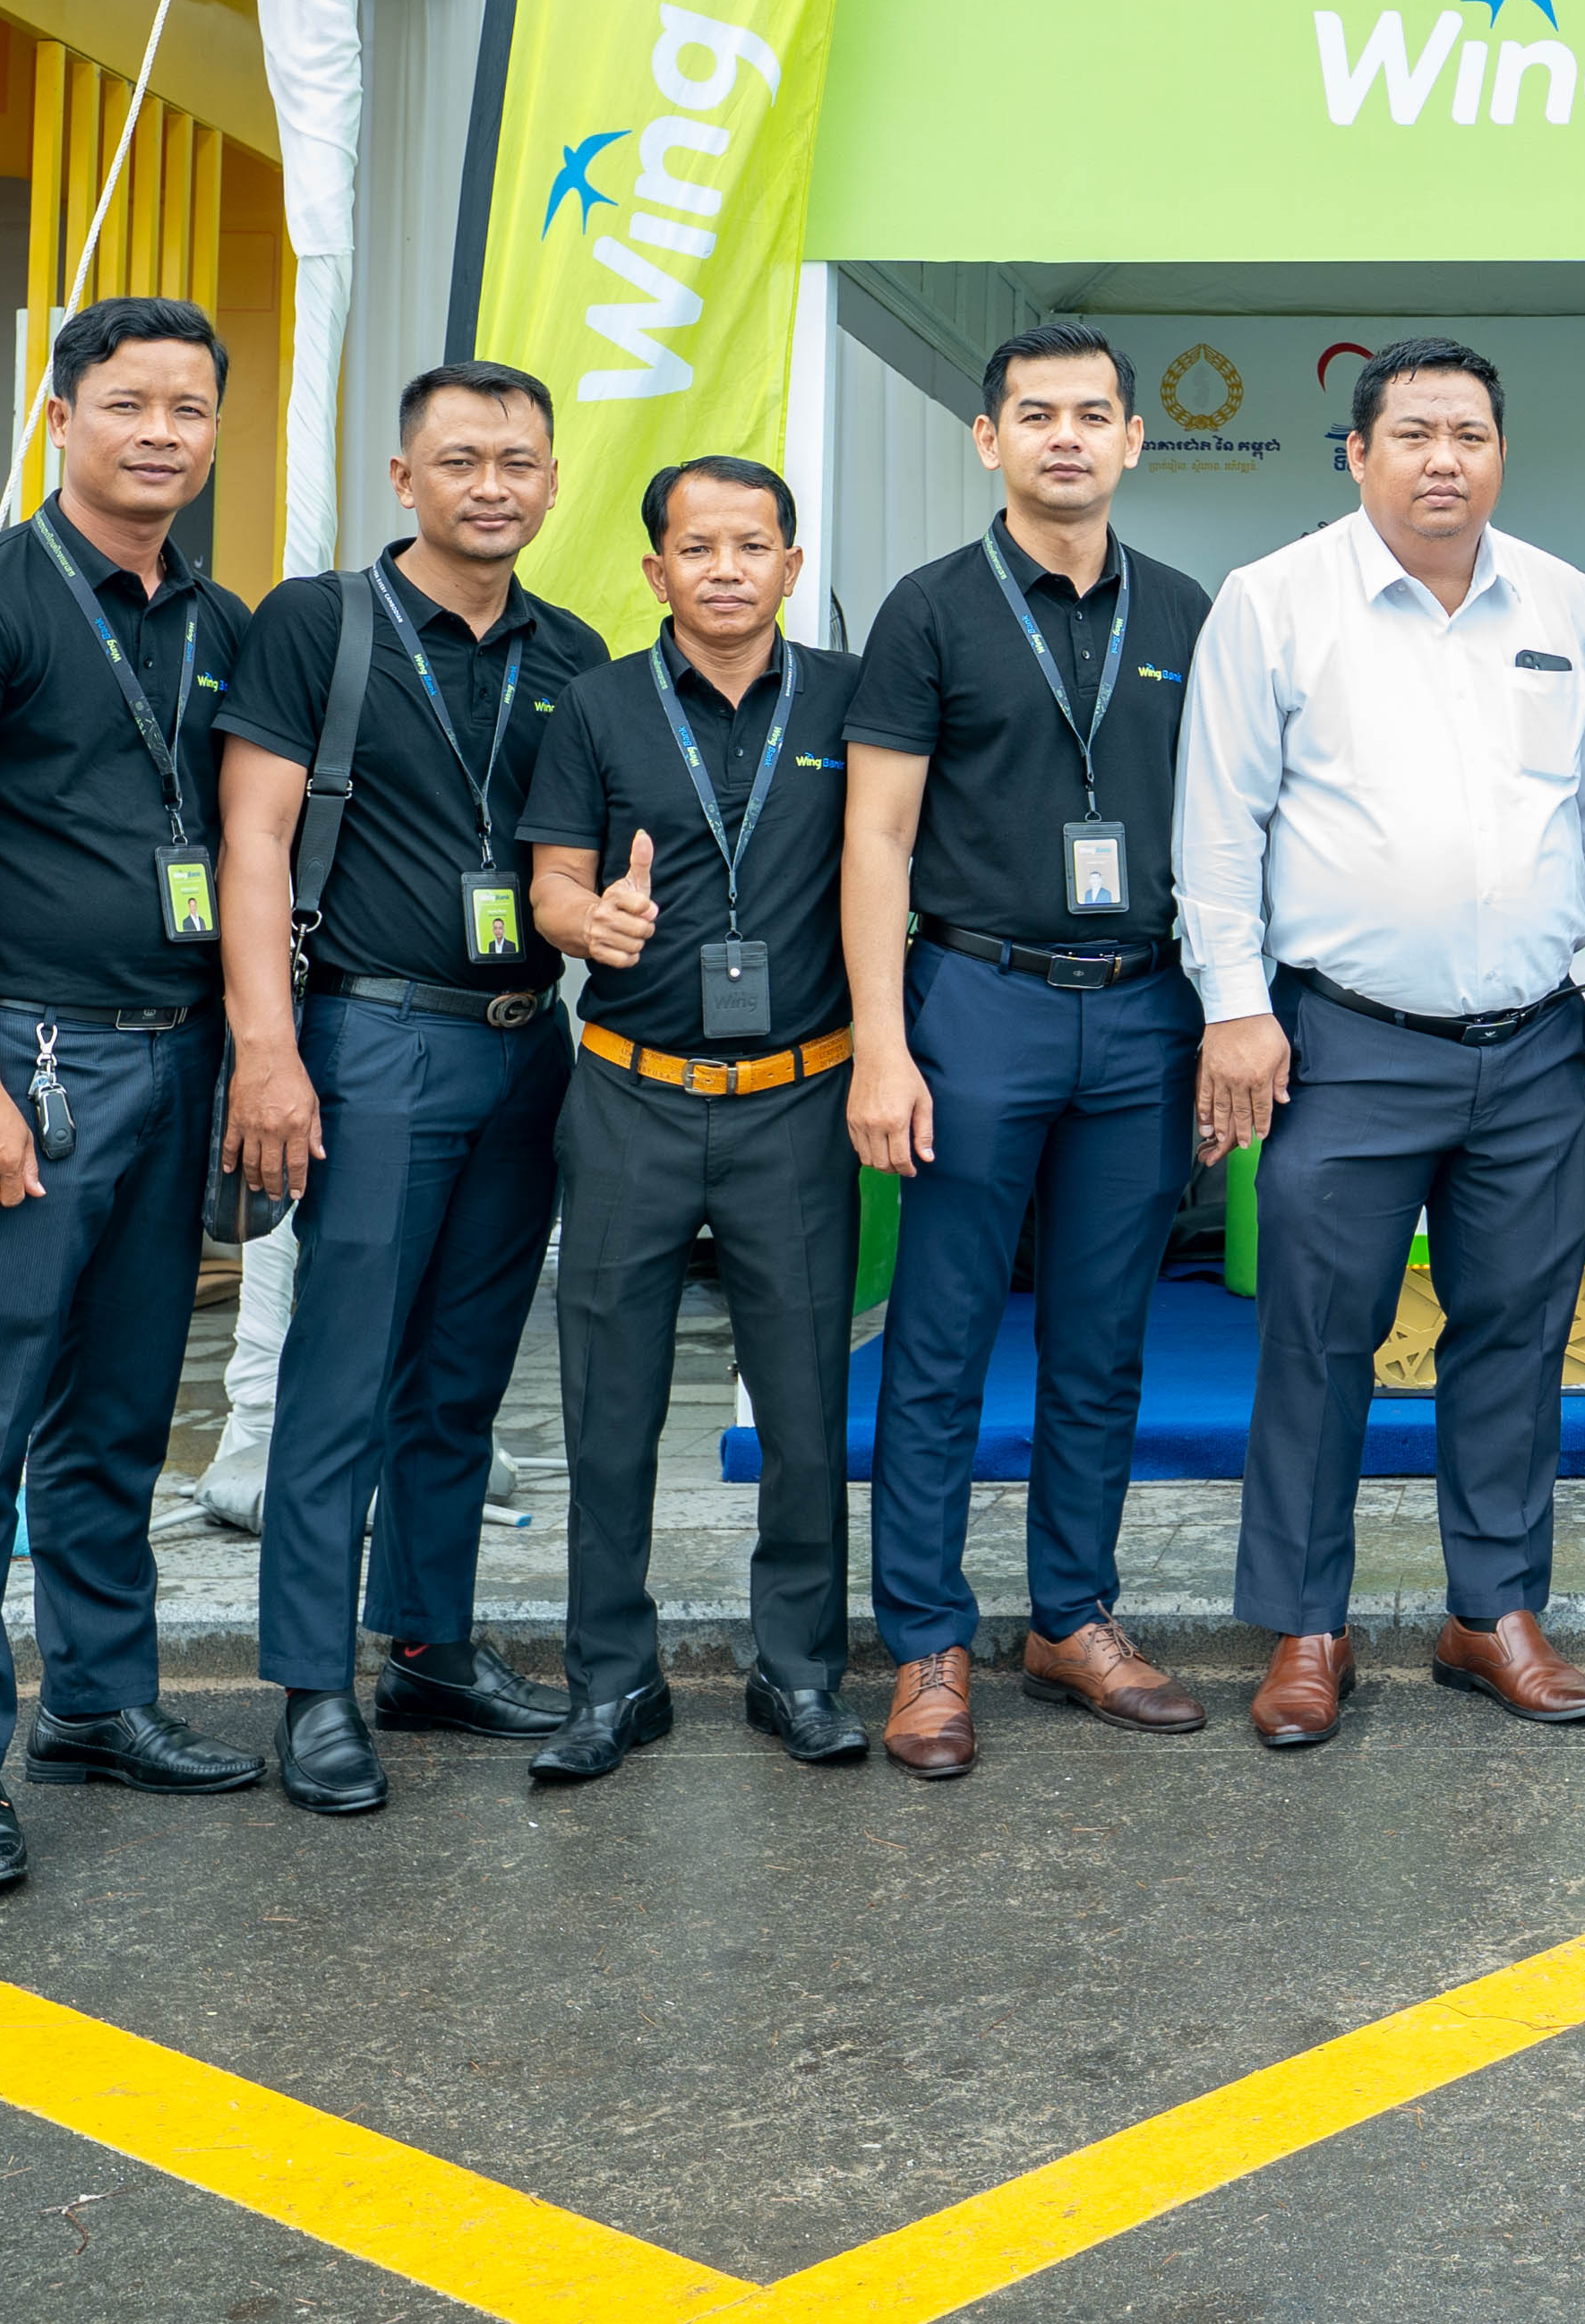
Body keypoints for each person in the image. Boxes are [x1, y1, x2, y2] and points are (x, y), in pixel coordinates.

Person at [0, 295, 265, 1891]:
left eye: (189, 406)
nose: (161, 431)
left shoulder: (219, 621)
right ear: (60, 415)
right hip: (28, 1060)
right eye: (128, 402)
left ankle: (97, 1700)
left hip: (176, 1054)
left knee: (119, 1414)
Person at [1180, 338, 1585, 1751]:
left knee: (1517, 1334)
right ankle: (1304, 1626)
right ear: (1358, 452)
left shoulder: (1562, 601)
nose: (1446, 460)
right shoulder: (1273, 602)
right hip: (1345, 1045)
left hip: (1535, 1044)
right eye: (1416, 434)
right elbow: (1219, 822)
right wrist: (1234, 1007)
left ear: (1500, 453)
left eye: (1470, 435)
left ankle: (1491, 1610)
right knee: (1320, 1341)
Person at [212, 362, 606, 1813]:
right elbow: (254, 840)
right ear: (403, 478)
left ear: (550, 480)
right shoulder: (319, 624)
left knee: (463, 1371)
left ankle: (430, 1644)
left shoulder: (573, 652)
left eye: (517, 460)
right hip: (372, 1037)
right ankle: (313, 1683)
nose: (491, 485)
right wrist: (268, 1050)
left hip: (526, 1039)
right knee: (345, 1368)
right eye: (460, 459)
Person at [842, 327, 1215, 1779]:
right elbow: (876, 838)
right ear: (987, 439)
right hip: (975, 999)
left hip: (1141, 1009)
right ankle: (927, 1639)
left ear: (1132, 439)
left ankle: (1072, 1615)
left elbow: (1226, 831)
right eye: (1036, 413)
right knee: (940, 1339)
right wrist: (883, 1044)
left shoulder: (1181, 610)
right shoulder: (930, 609)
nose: (1067, 435)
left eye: (1092, 413)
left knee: (1101, 1338)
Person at [518, 459, 865, 1783]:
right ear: (655, 569)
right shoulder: (598, 704)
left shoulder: (849, 700)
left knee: (805, 1404)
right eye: (698, 547)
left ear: (791, 563)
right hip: (629, 1096)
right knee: (609, 1404)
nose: (726, 569)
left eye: (752, 545)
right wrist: (587, 919)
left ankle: (800, 1671)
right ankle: (611, 1681)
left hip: (800, 1097)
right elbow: (552, 881)